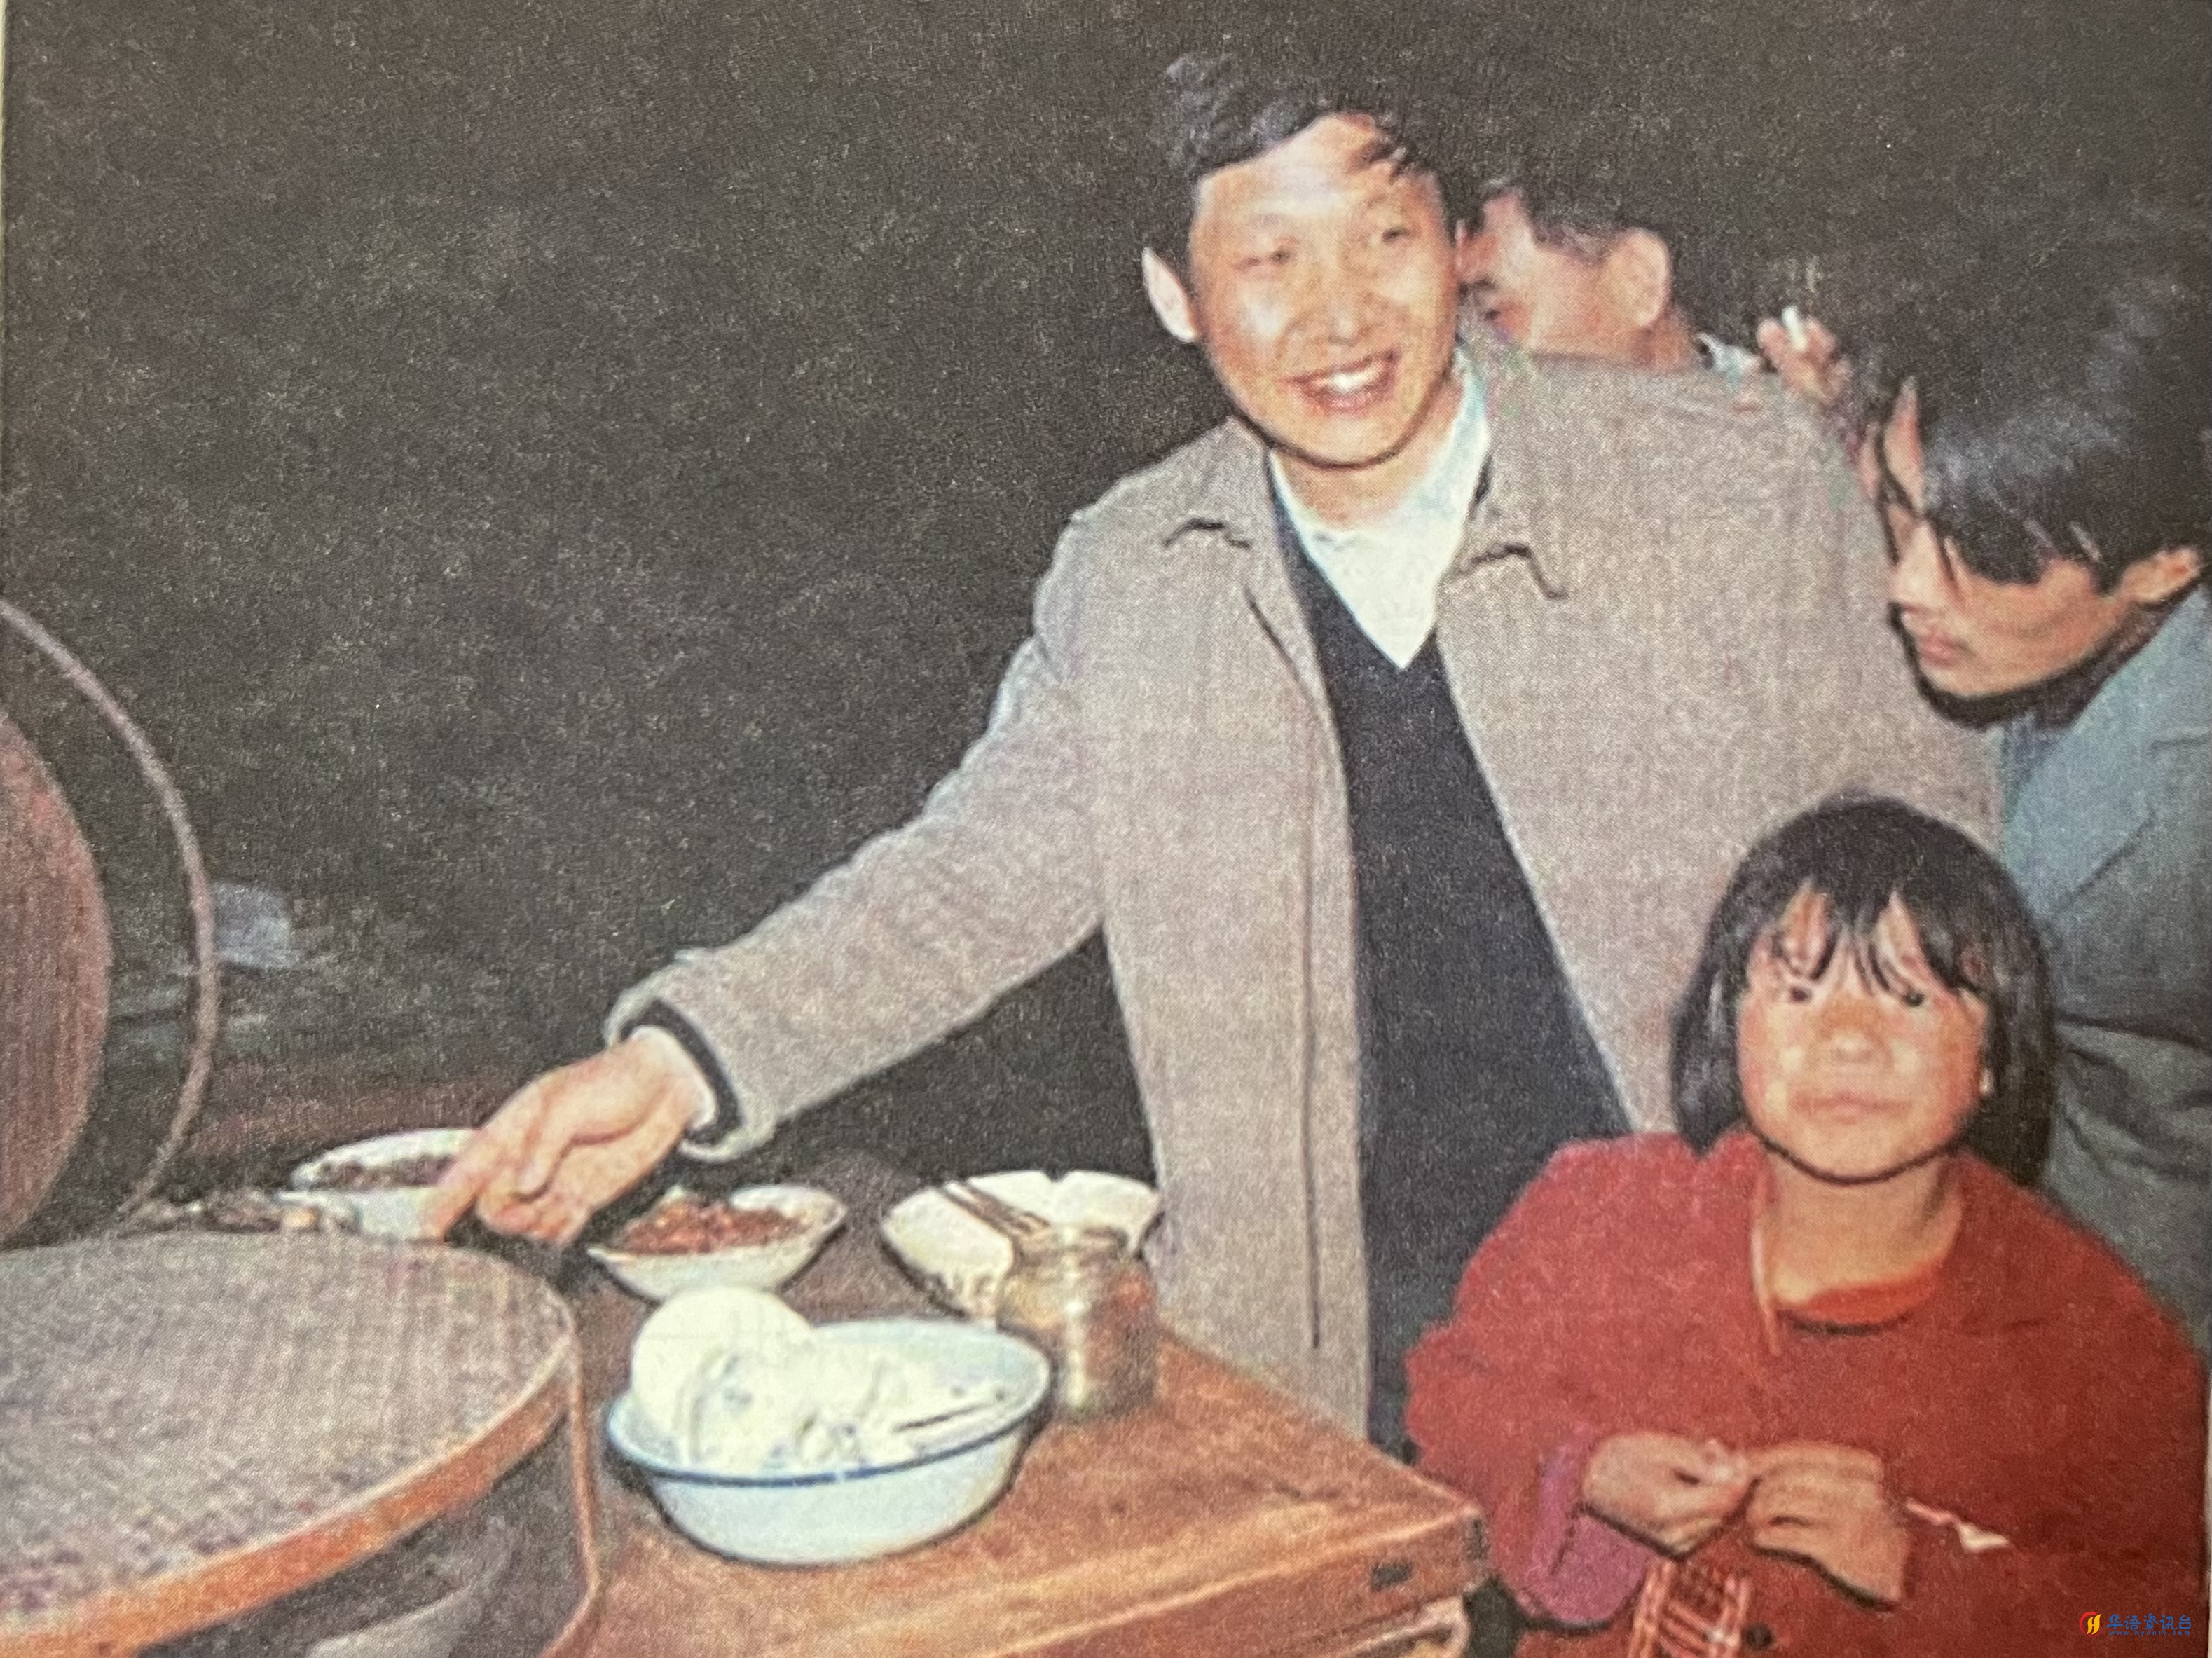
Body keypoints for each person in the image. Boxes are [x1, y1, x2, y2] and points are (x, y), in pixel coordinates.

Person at [427, 43, 1991, 1448]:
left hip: (1733, 1351)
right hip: (1344, 1387)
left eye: (1384, 238)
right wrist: (679, 1059)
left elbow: (1939, 882)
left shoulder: (1730, 491)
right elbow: (965, 879)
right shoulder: (1137, 575)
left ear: (1455, 241)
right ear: (1176, 294)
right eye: (1269, 259)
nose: (1341, 315)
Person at [1406, 796, 2209, 1657]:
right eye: (1798, 991)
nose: (1848, 1040)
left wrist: (1921, 1570)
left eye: (1909, 997)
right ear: (1729, 1027)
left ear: (1994, 1054)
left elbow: (2163, 1624)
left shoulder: (2097, 1338)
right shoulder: (1595, 1212)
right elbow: (1441, 1424)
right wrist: (1581, 1472)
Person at [1860, 217, 2209, 1352]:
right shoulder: (2011, 626)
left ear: (2164, 563)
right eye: (1902, 509)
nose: (1910, 586)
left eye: (1988, 553)